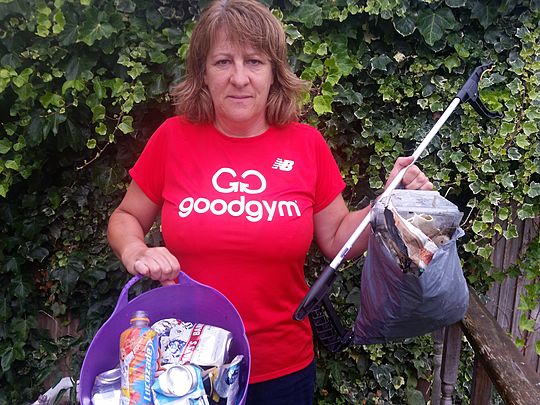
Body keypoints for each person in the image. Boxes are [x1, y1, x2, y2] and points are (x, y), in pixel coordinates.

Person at [107, 0, 433, 404]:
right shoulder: (173, 138)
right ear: (203, 74)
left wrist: (388, 203)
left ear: (275, 73)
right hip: (183, 368)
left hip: (281, 368)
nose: (239, 78)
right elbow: (125, 217)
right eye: (223, 62)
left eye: (255, 61)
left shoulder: (306, 145)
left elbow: (337, 238)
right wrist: (136, 249)